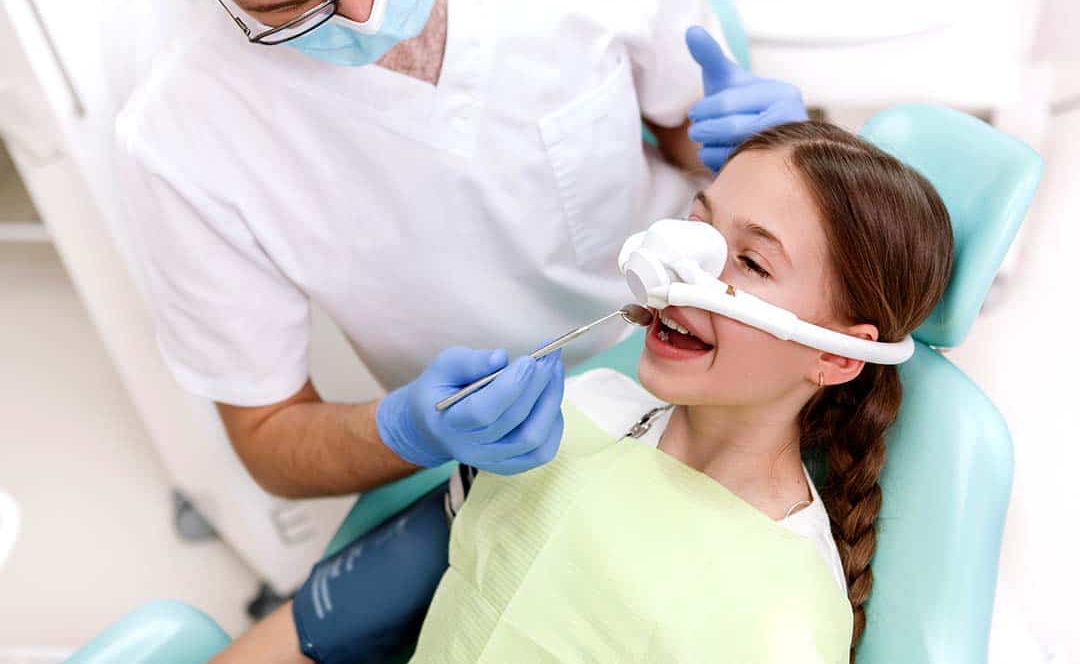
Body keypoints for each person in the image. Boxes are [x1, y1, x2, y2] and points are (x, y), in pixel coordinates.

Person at [208, 120, 955, 663]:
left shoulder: (781, 617)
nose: (679, 268)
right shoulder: (583, 409)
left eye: (750, 263)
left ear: (839, 356)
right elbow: (361, 600)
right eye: (697, 226)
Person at [116, 0, 808, 496]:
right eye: (296, 10)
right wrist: (407, 428)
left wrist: (757, 148)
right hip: (516, 449)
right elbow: (268, 434)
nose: (364, 18)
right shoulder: (178, 134)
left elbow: (686, 126)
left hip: (724, 339)